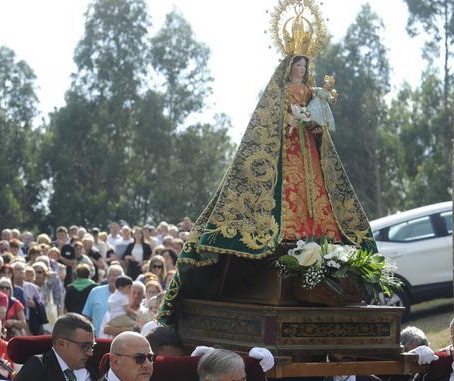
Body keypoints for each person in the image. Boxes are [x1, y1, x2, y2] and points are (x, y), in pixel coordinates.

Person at [158, 25, 375, 324]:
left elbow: (319, 118)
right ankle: (287, 233)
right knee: (288, 192)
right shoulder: (279, 92)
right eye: (297, 64)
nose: (301, 68)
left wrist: (314, 124)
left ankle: (317, 235)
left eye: (304, 65)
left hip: (308, 149)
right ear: (288, 67)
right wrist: (289, 119)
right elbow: (269, 121)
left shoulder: (312, 91)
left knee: (316, 190)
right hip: (285, 152)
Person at [82, 264, 124, 335]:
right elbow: (87, 316)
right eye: (111, 275)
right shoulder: (95, 292)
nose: (114, 278)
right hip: (97, 340)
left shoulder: (127, 294)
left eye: (117, 275)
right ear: (107, 277)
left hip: (120, 341)